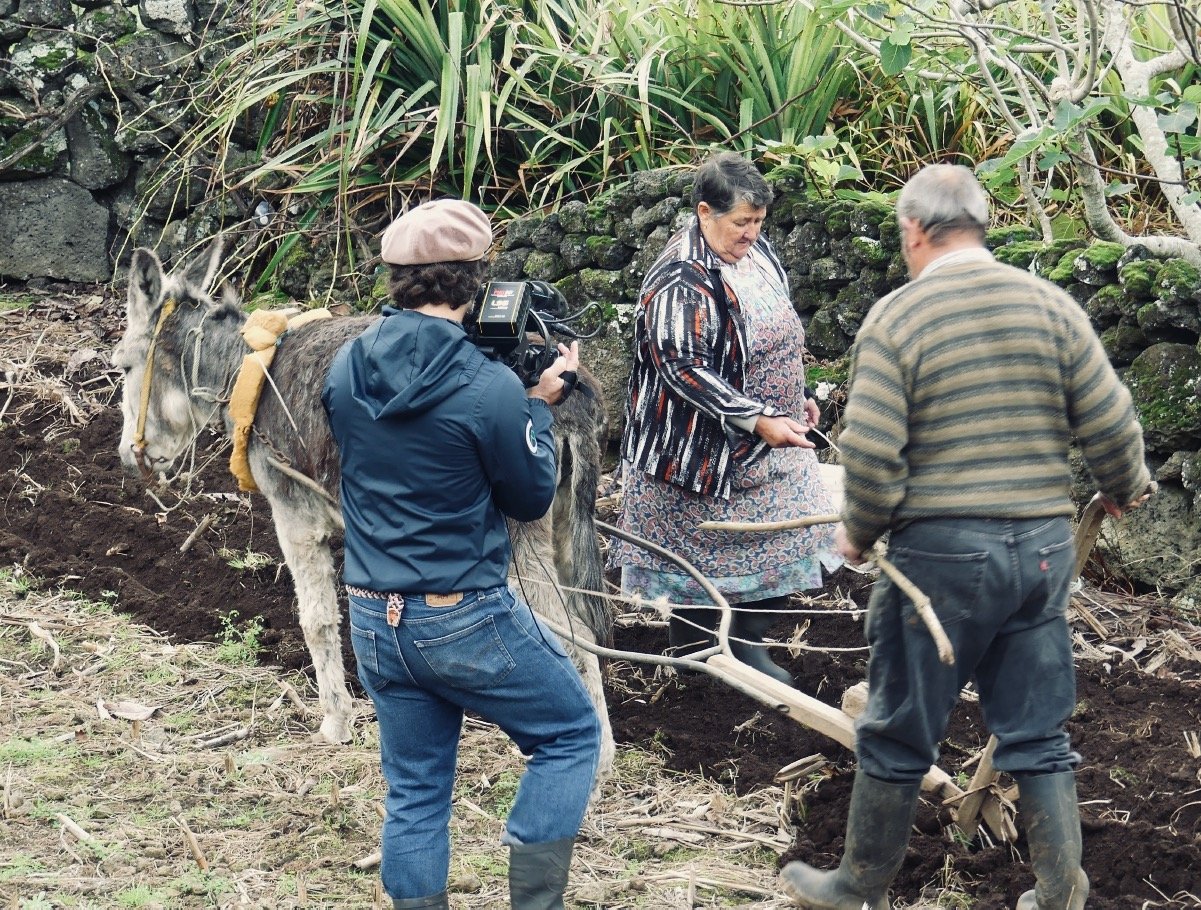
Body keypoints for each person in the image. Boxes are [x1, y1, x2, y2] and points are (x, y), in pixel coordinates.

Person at [780, 164, 1152, 910]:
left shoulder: (899, 318)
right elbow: (1111, 422)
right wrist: (1123, 488)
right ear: (979, 225)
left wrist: (858, 532)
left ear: (913, 232)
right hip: (1039, 554)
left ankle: (856, 889)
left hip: (941, 559)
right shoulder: (1049, 306)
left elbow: (874, 452)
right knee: (1036, 734)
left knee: (895, 732)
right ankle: (1057, 891)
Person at [322, 199, 600, 910]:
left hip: (371, 616)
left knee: (414, 792)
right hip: (462, 615)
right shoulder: (490, 387)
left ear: (395, 279)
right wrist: (536, 404)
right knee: (569, 734)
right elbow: (528, 497)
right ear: (474, 280)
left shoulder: (348, 363)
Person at [610, 151, 841, 687]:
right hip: (698, 454)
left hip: (772, 441)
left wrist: (795, 396)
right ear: (704, 212)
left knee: (787, 536)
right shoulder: (681, 277)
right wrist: (756, 418)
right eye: (742, 223)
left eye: (759, 222)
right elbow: (680, 366)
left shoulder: (756, 255)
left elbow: (779, 335)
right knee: (697, 562)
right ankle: (699, 657)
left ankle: (744, 647)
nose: (752, 234)